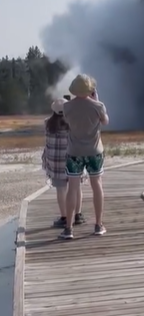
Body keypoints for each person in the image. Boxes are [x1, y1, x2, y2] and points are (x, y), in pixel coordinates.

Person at [59, 74, 109, 240]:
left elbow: (67, 121)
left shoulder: (67, 107)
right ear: (90, 90)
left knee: (72, 188)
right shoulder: (98, 105)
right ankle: (98, 224)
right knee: (97, 186)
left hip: (74, 152)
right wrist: (97, 101)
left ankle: (68, 228)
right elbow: (105, 122)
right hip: (94, 151)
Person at [42, 98, 85, 228]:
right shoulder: (74, 123)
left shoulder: (47, 123)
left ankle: (64, 217)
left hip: (55, 164)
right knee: (76, 188)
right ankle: (78, 215)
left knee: (61, 190)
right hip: (72, 160)